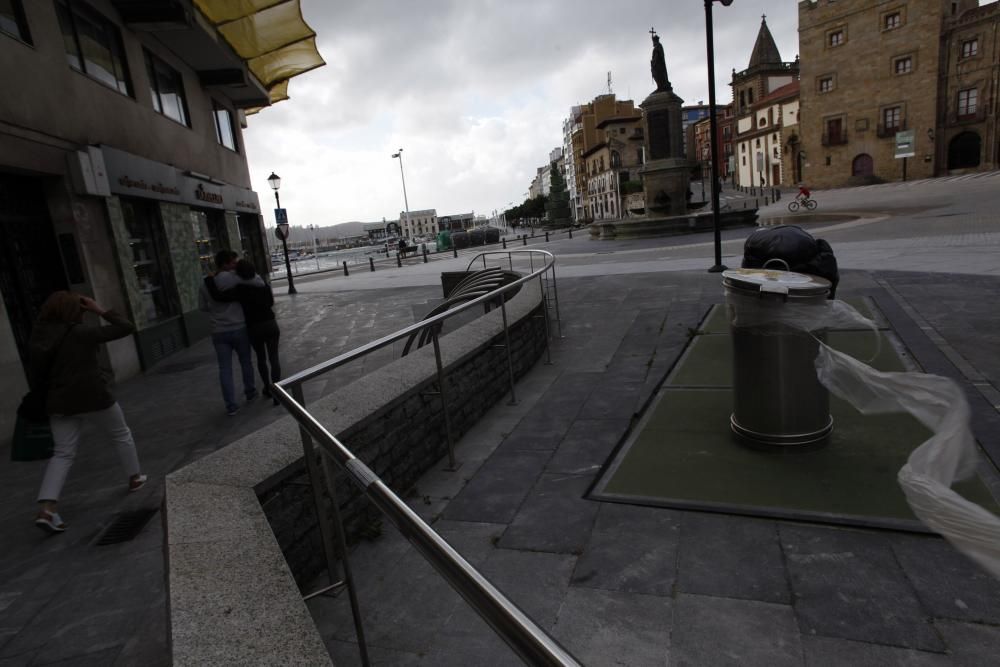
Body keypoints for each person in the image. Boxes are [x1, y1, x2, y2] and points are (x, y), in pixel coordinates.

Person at [30, 292, 146, 534]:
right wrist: (99, 309)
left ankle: (47, 509)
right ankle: (134, 477)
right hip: (93, 396)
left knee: (62, 454)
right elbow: (126, 327)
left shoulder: (39, 336)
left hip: (59, 403)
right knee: (120, 433)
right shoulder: (80, 333)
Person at [203, 259, 281, 406]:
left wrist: (209, 280)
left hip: (254, 327)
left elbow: (219, 297)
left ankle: (267, 388)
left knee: (261, 359)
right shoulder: (263, 284)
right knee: (274, 358)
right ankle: (279, 392)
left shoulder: (240, 289)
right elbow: (270, 303)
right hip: (270, 323)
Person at [199, 250, 256, 415]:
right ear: (225, 263)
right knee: (246, 362)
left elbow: (202, 307)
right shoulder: (234, 278)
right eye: (233, 262)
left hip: (218, 331)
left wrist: (216, 309)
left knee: (225, 369)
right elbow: (257, 282)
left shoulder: (205, 284)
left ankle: (231, 405)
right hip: (239, 327)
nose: (236, 265)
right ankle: (250, 392)